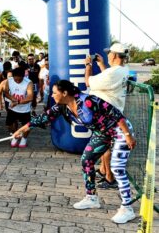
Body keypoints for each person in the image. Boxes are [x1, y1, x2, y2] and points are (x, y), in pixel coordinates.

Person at [13, 80, 136, 224]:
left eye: (54, 93)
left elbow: (117, 115)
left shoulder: (88, 101)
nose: (52, 96)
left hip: (120, 131)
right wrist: (23, 129)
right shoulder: (63, 107)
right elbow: (45, 117)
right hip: (102, 133)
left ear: (64, 93)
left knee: (117, 168)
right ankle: (91, 198)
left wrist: (128, 135)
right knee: (87, 160)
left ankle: (127, 208)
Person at [85, 43, 130, 190]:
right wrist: (102, 64)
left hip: (108, 115)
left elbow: (88, 82)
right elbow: (109, 79)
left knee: (105, 146)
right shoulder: (122, 69)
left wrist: (88, 66)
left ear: (115, 55)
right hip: (112, 113)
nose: (108, 55)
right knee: (106, 144)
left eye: (109, 53)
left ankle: (110, 177)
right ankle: (105, 171)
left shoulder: (113, 73)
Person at [4, 67, 33, 148]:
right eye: (15, 79)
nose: (17, 81)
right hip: (12, 108)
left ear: (23, 77)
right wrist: (12, 98)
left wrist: (17, 102)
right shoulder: (9, 81)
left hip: (25, 109)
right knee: (9, 124)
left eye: (19, 80)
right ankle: (15, 135)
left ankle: (24, 138)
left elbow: (30, 97)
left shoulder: (29, 83)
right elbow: (5, 92)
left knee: (27, 126)